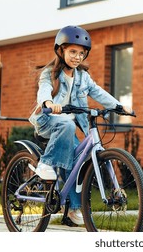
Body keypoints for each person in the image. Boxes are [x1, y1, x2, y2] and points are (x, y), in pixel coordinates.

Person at [29, 25, 132, 225]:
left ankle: (73, 209)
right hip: (49, 121)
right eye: (72, 52)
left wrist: (118, 106)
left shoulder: (83, 76)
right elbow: (44, 90)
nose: (77, 57)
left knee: (77, 159)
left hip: (67, 127)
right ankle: (45, 164)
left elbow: (98, 92)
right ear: (61, 51)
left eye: (81, 53)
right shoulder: (49, 73)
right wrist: (48, 103)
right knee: (67, 126)